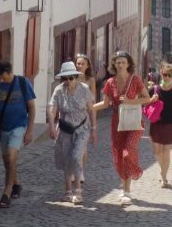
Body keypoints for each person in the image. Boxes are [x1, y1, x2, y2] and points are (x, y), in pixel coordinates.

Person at [94, 51, 150, 206]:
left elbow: (147, 99)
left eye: (123, 62)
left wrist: (130, 101)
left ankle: (128, 188)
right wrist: (89, 108)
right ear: (114, 64)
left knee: (128, 151)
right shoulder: (110, 82)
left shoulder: (136, 79)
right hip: (117, 123)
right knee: (119, 156)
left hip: (134, 123)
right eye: (118, 62)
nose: (120, 64)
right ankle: (124, 188)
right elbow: (105, 104)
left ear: (128, 64)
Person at [0, 60, 36, 208]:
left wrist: (29, 130)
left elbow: (31, 107)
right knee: (7, 162)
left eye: (3, 77)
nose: (1, 80)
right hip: (2, 127)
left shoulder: (23, 83)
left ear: (10, 72)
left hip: (18, 126)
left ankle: (6, 193)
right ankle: (16, 184)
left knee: (11, 156)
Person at [48, 61, 97, 205]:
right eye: (66, 78)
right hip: (65, 130)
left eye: (71, 77)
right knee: (66, 160)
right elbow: (52, 108)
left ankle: (78, 191)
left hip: (82, 129)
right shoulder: (58, 90)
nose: (68, 81)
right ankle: (68, 192)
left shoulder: (84, 89)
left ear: (76, 76)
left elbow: (91, 109)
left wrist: (94, 129)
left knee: (76, 157)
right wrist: (51, 126)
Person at [147, 63, 172, 188]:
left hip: (170, 124)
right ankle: (162, 171)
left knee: (166, 151)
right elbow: (143, 103)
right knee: (157, 151)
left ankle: (163, 177)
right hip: (156, 124)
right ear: (161, 74)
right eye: (164, 75)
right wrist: (151, 99)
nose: (166, 77)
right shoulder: (155, 89)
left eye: (169, 75)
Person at [75, 53, 96, 184]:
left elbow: (93, 99)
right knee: (71, 145)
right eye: (78, 63)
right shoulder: (72, 77)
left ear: (87, 65)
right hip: (71, 113)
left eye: (83, 64)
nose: (80, 66)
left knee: (82, 145)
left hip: (85, 115)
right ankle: (73, 170)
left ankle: (80, 170)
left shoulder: (90, 79)